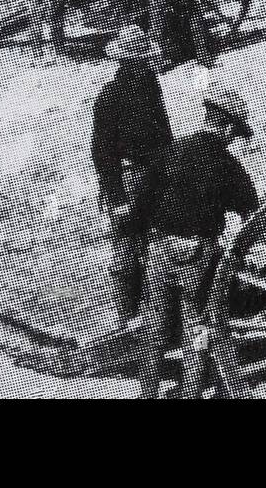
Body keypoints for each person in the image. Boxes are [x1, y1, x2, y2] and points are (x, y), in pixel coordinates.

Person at [133, 86, 259, 399]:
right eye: (234, 133)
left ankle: (147, 393)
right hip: (199, 255)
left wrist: (143, 243)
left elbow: (142, 203)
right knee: (198, 329)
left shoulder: (171, 151)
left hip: (161, 249)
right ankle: (191, 393)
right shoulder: (227, 165)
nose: (233, 139)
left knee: (154, 328)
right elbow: (252, 213)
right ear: (227, 127)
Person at [91, 24, 173, 322]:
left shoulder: (150, 85)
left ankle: (155, 316)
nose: (142, 67)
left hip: (154, 173)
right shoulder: (110, 96)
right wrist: (116, 197)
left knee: (157, 246)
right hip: (128, 178)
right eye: (136, 63)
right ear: (125, 64)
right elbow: (103, 153)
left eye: (143, 63)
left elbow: (164, 131)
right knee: (126, 249)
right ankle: (126, 317)